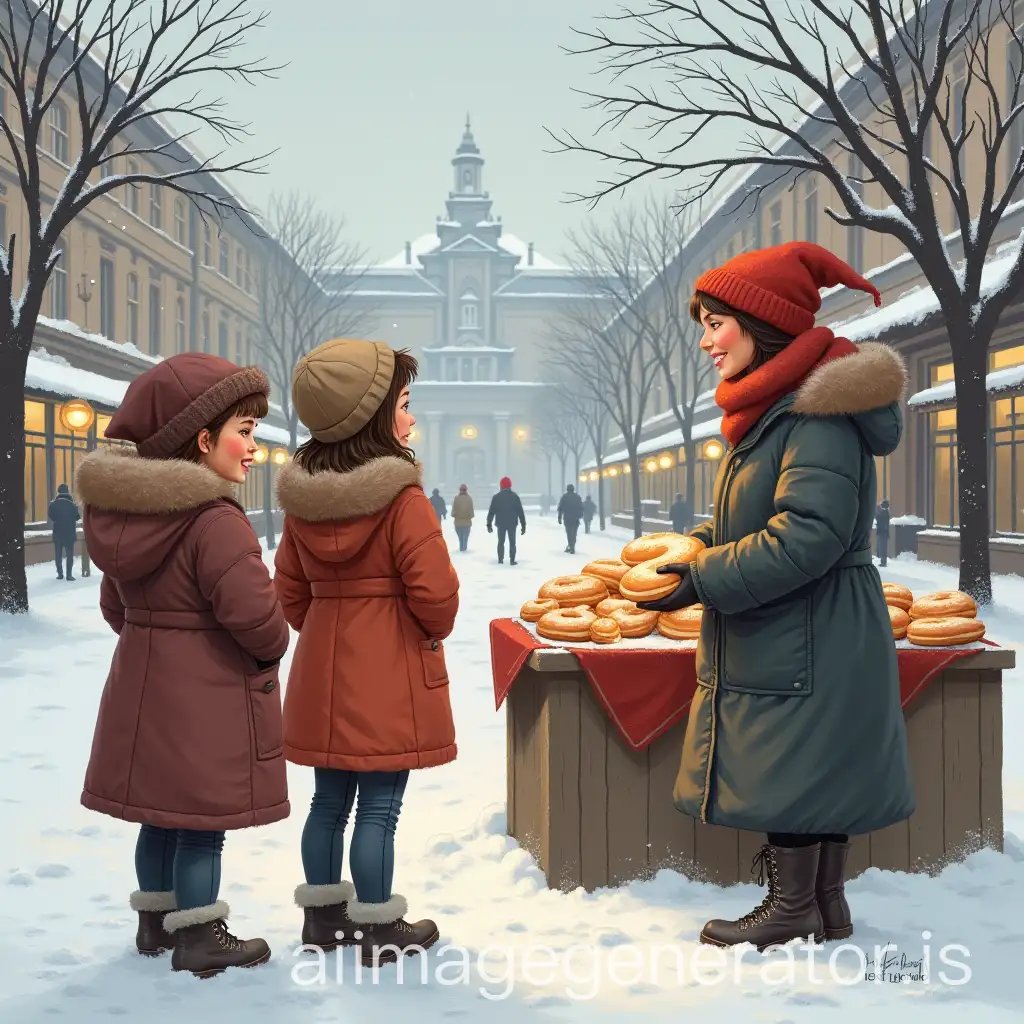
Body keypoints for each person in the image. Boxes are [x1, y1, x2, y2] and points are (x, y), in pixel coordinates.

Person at [636, 242, 914, 951]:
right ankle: (823, 904)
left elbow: (807, 536)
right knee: (811, 766)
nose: (704, 342)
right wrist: (699, 542)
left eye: (716, 324)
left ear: (763, 326)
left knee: (797, 764)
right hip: (808, 624)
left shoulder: (811, 415)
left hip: (809, 626)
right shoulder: (783, 408)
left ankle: (792, 907)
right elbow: (762, 519)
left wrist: (705, 579)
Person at [75, 353, 290, 977]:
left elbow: (115, 605)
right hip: (207, 695)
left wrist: (155, 641)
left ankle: (156, 922)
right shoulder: (215, 522)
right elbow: (257, 619)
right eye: (244, 432)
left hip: (142, 690)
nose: (253, 448)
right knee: (199, 822)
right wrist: (266, 645)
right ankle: (199, 934)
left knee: (159, 814)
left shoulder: (129, 519)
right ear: (203, 439)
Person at [274, 338, 460, 967]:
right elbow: (436, 595)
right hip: (388, 675)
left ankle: (323, 919)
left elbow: (289, 594)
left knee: (329, 802)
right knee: (379, 806)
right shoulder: (402, 501)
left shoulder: (302, 506)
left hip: (323, 675)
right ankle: (379, 926)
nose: (411, 419)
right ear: (375, 419)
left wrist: (330, 623)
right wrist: (414, 632)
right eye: (404, 405)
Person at [486, 476, 526, 565]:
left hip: (500, 523)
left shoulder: (496, 497)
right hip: (512, 523)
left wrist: (489, 523)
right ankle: (512, 560)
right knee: (512, 542)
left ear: (501, 486)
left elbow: (491, 511)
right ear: (510, 485)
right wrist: (523, 525)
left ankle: (500, 559)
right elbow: (520, 511)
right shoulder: (515, 497)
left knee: (501, 542)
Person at [48, 482, 80, 580]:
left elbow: (51, 516)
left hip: (58, 533)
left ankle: (60, 574)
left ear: (58, 492)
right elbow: (77, 517)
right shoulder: (72, 505)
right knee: (69, 555)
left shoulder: (53, 504)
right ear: (68, 492)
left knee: (58, 554)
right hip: (69, 533)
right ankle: (69, 575)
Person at [557, 484, 584, 554]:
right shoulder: (577, 497)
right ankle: (572, 546)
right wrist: (580, 515)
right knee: (574, 533)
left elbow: (560, 508)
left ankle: (571, 546)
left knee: (569, 533)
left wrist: (559, 517)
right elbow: (581, 507)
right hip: (575, 518)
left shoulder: (564, 497)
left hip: (567, 518)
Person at [451, 484, 474, 552]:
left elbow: (454, 511)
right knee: (465, 536)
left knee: (460, 536)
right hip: (467, 522)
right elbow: (471, 511)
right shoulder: (469, 498)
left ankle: (461, 547)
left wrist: (455, 514)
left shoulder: (456, 498)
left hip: (458, 522)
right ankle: (464, 547)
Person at [875, 499, 891, 567]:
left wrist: (875, 512)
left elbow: (878, 517)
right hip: (883, 533)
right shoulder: (885, 512)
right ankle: (883, 561)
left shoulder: (884, 513)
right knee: (881, 548)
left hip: (883, 533)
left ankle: (883, 562)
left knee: (882, 548)